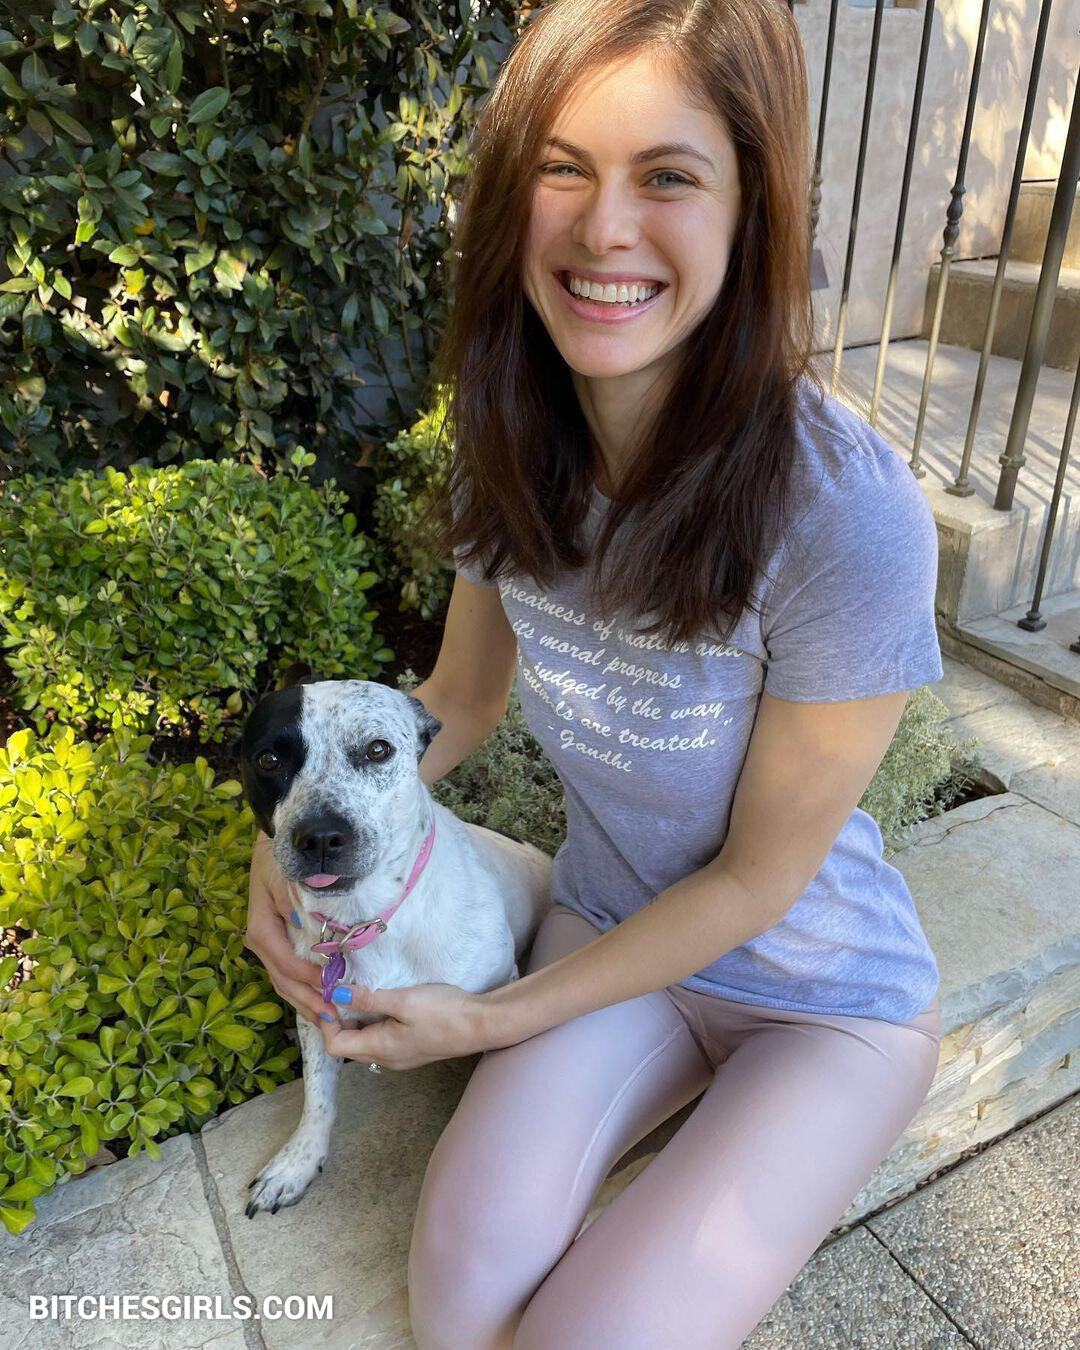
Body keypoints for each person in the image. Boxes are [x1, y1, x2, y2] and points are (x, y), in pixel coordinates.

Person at [244, 1, 945, 1345]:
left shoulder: (845, 515)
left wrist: (489, 1020)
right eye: (563, 168)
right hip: (608, 928)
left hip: (820, 998)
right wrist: (283, 849)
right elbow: (455, 703)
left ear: (753, 208)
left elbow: (755, 882)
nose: (603, 228)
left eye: (668, 176)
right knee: (458, 1304)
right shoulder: (511, 448)